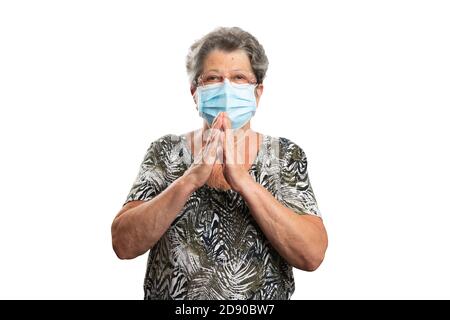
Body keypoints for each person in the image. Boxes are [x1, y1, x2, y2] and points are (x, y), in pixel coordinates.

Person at [111, 27, 328, 300]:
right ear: (195, 92)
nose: (226, 88)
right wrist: (189, 179)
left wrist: (243, 181)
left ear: (257, 92)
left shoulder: (284, 155)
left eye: (239, 78)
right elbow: (123, 243)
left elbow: (311, 255)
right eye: (213, 78)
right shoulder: (165, 152)